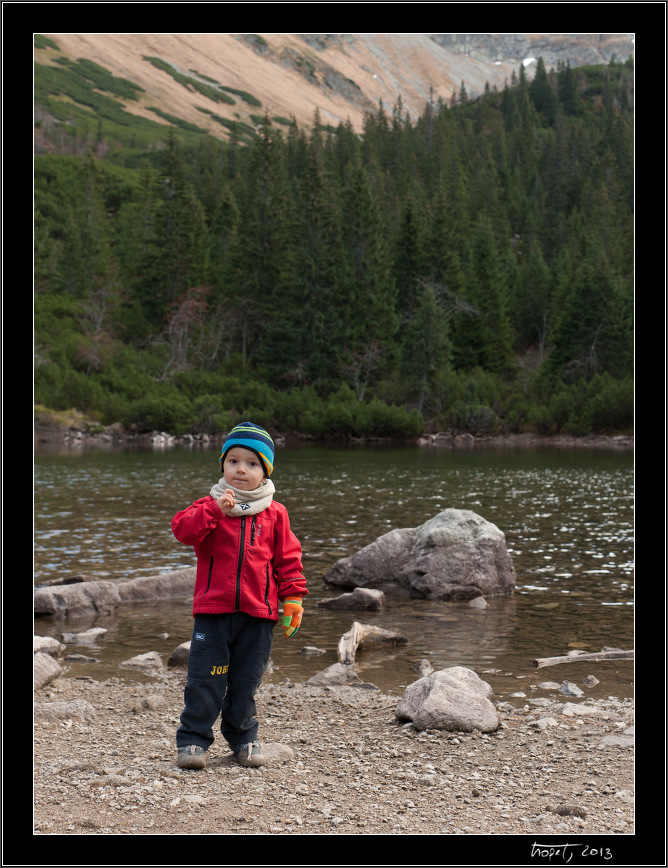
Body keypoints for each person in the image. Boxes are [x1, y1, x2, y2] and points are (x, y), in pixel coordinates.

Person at [171, 422, 307, 770]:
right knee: (205, 679)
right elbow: (182, 531)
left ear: (265, 471)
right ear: (222, 466)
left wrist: (293, 599)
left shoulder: (275, 513)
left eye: (251, 463)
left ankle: (243, 737)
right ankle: (192, 742)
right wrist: (215, 511)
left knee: (246, 682)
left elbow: (288, 561)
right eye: (233, 461)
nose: (241, 469)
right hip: (213, 613)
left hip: (258, 615)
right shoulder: (207, 506)